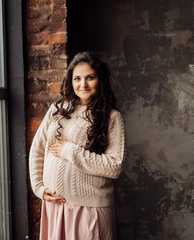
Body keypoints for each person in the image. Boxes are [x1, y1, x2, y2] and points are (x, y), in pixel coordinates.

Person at [29, 52, 126, 239]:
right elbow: (37, 150)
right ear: (70, 81)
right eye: (77, 78)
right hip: (55, 206)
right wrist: (39, 188)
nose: (83, 85)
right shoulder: (57, 110)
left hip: (91, 210)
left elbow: (115, 166)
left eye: (90, 77)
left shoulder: (112, 117)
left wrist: (71, 151)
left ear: (100, 80)